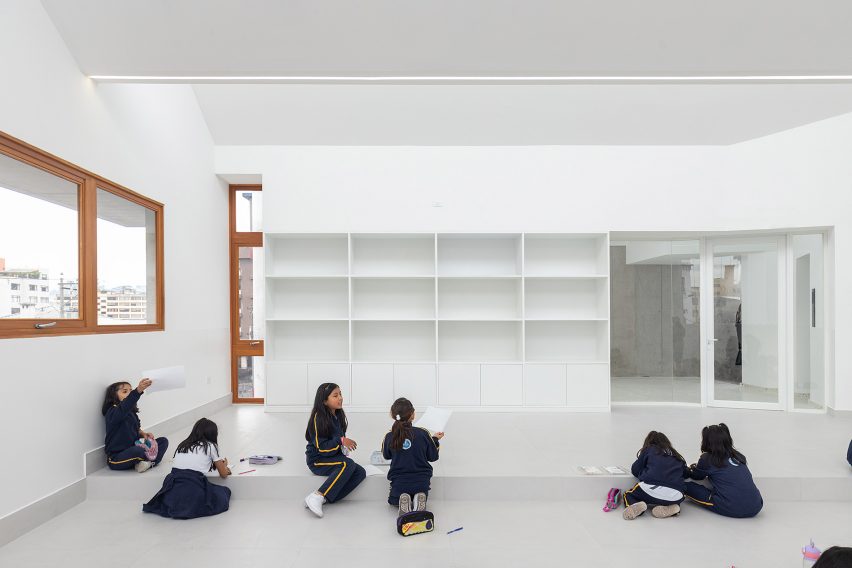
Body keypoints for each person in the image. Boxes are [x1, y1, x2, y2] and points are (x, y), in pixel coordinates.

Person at [142, 418, 231, 519]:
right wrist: (224, 466)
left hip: (172, 484)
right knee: (224, 493)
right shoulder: (211, 446)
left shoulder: (183, 444)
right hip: (192, 484)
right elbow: (223, 474)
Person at [303, 383, 366, 517]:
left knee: (360, 472)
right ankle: (317, 495)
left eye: (340, 394)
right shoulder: (318, 418)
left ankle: (326, 498)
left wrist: (342, 448)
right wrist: (341, 441)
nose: (340, 398)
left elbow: (337, 438)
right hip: (318, 460)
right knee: (347, 464)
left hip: (330, 457)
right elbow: (322, 448)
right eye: (335, 396)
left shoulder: (338, 416)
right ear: (325, 401)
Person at [685, 423, 763, 518]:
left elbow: (696, 476)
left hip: (733, 508)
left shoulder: (707, 458)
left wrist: (690, 468)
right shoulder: (738, 456)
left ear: (707, 441)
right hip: (757, 505)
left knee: (685, 486)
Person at [381, 397, 443, 515]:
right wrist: (434, 440)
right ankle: (419, 497)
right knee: (420, 492)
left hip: (399, 483)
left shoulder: (390, 436)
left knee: (393, 501)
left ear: (392, 415)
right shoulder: (423, 433)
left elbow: (386, 455)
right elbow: (433, 456)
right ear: (412, 414)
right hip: (422, 482)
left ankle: (402, 499)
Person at [102, 378, 168, 472]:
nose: (129, 393)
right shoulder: (112, 412)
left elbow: (136, 429)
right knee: (138, 451)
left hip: (135, 448)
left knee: (163, 441)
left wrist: (144, 434)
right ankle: (148, 460)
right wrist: (137, 391)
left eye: (130, 390)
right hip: (117, 458)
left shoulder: (131, 413)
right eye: (125, 391)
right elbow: (125, 406)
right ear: (114, 396)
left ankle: (148, 463)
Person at [622, 431, 689, 520]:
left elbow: (635, 469)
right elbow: (686, 473)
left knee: (628, 494)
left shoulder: (649, 449)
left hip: (650, 489)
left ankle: (635, 505)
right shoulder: (677, 456)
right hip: (676, 494)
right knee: (675, 494)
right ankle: (674, 507)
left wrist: (646, 471)